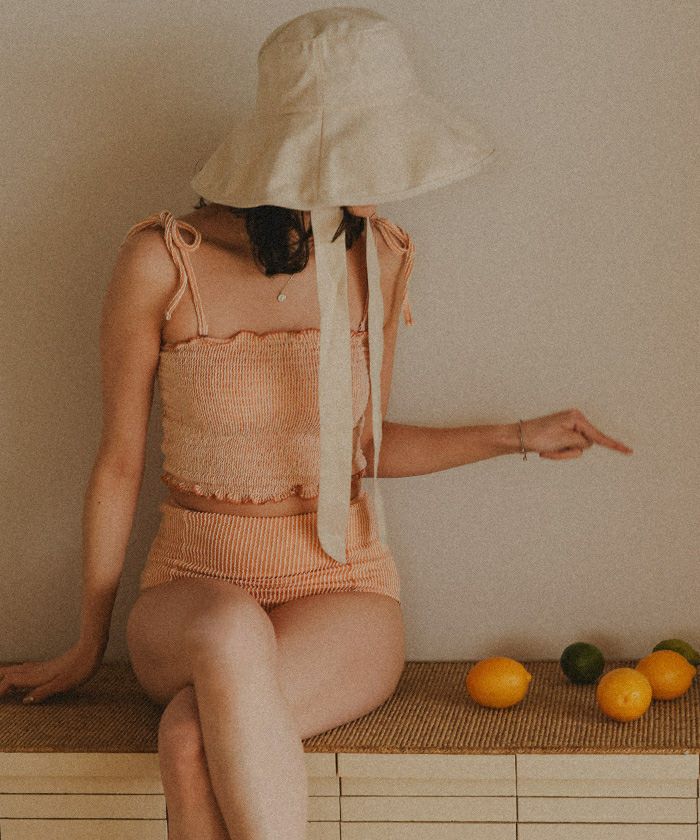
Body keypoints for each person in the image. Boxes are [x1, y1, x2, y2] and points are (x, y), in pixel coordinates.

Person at [0, 7, 633, 840]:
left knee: (188, 741)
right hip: (192, 589)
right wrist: (87, 643)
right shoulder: (162, 259)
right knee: (229, 631)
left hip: (342, 591)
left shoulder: (381, 255)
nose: (388, 172)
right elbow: (119, 461)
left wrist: (516, 435)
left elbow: (359, 451)